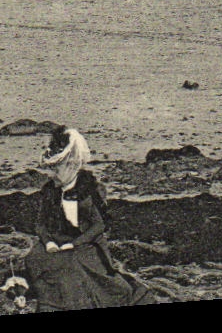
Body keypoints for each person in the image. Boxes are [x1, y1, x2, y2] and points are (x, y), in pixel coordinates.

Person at [23, 127, 153, 311]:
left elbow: (98, 225)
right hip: (57, 239)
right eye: (50, 169)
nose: (52, 174)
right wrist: (49, 242)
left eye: (56, 169)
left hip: (87, 243)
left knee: (71, 264)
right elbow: (41, 224)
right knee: (35, 258)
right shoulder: (50, 190)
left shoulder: (89, 190)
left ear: (72, 165)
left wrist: (75, 244)